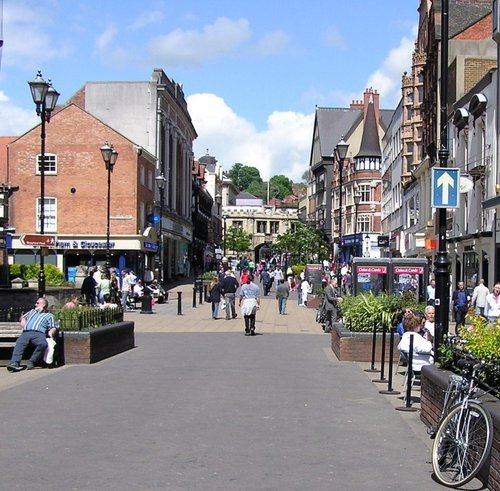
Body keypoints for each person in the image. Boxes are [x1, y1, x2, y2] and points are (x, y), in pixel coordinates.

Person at [7, 298, 57, 372]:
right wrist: (23, 321)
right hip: (26, 332)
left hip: (39, 334)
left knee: (43, 344)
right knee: (20, 343)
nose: (35, 304)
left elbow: (53, 327)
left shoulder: (49, 315)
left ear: (44, 305)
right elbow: (23, 317)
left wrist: (51, 332)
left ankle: (32, 361)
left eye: (37, 303)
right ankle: (14, 363)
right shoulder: (32, 312)